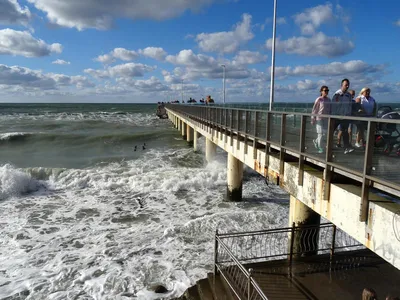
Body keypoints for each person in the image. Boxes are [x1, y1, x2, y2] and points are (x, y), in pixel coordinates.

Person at [331, 78, 354, 154]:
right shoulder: (337, 94)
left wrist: (349, 115)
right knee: (331, 131)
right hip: (336, 117)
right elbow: (334, 106)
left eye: (348, 85)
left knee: (345, 132)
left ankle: (346, 148)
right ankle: (328, 145)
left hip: (345, 117)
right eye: (345, 85)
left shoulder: (348, 95)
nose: (347, 86)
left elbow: (350, 106)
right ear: (342, 85)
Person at [311, 86, 331, 153]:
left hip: (326, 119)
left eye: (327, 90)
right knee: (320, 133)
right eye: (325, 90)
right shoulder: (319, 99)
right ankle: (320, 148)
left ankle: (316, 141)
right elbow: (315, 109)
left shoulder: (329, 100)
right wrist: (313, 119)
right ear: (321, 91)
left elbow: (330, 110)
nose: (326, 92)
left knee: (324, 134)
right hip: (319, 119)